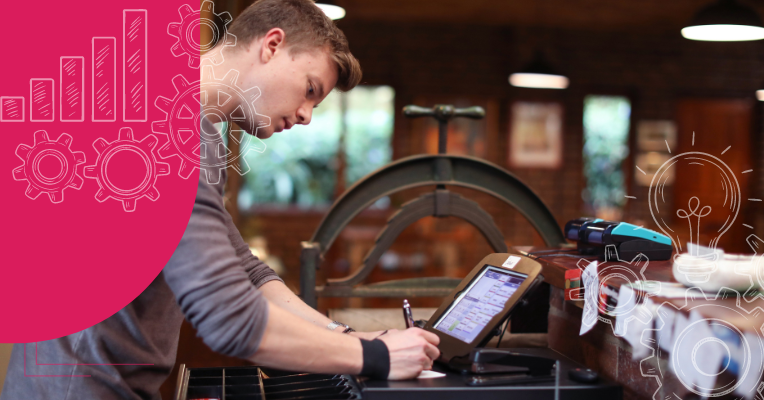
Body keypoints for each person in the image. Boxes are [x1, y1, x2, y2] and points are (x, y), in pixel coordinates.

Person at [0, 1, 439, 399]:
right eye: (310, 89)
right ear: (271, 45)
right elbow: (230, 319)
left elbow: (245, 270)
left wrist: (345, 334)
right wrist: (374, 358)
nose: (307, 115)